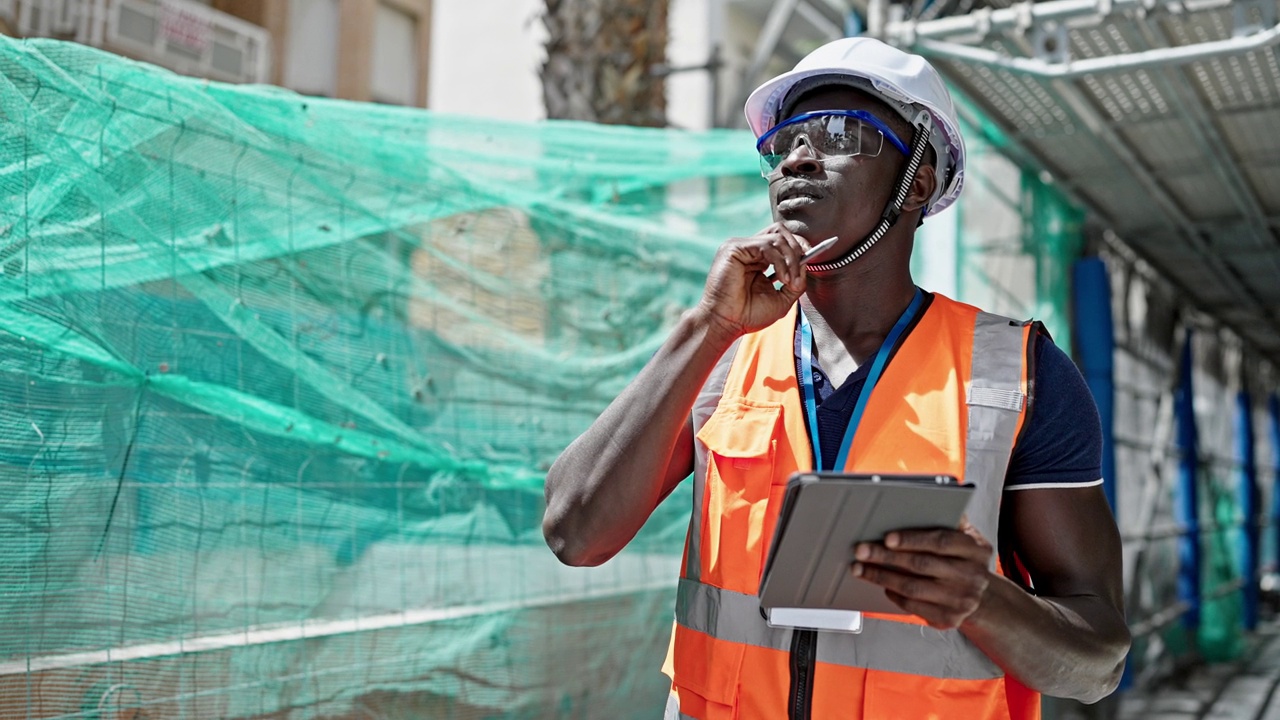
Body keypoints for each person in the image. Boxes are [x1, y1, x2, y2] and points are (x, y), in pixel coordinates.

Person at [542, 36, 1130, 720]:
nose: (795, 158)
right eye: (783, 143)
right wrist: (706, 324)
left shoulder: (1019, 373)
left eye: (841, 134)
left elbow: (1098, 662)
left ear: (918, 182)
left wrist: (984, 598)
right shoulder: (721, 355)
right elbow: (574, 534)